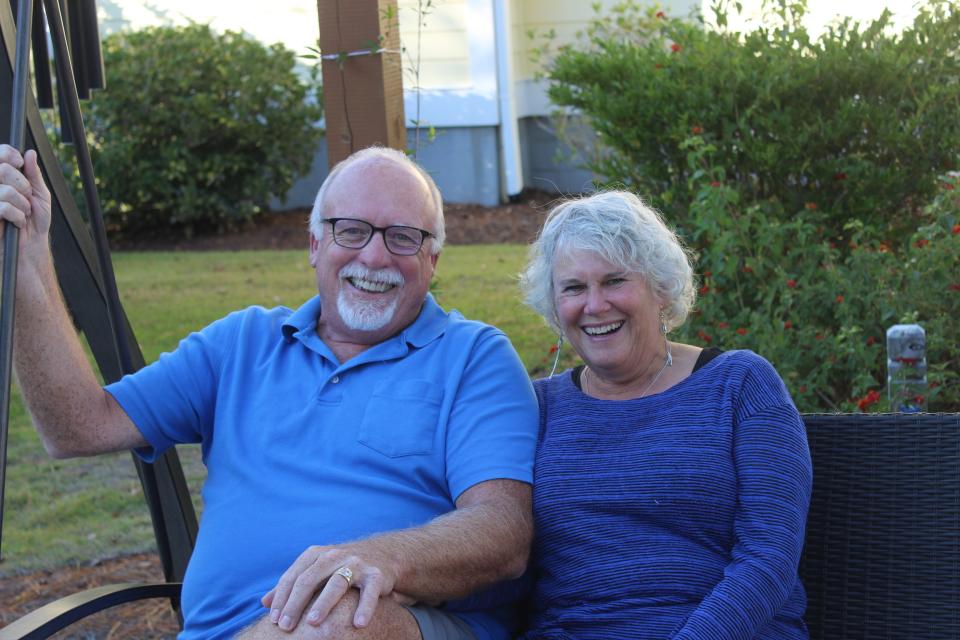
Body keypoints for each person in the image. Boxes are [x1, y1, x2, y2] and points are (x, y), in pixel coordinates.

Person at [0, 143, 538, 640]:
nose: (374, 258)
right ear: (314, 244)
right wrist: (28, 256)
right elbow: (76, 426)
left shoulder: (474, 357)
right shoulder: (243, 343)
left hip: (396, 623)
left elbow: (502, 530)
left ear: (433, 259)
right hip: (228, 630)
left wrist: (377, 559)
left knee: (339, 616)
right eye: (351, 230)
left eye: (402, 237)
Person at [517, 190, 812, 639]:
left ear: (660, 288)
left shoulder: (740, 385)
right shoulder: (539, 409)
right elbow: (506, 560)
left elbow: (769, 555)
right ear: (555, 307)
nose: (594, 305)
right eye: (574, 288)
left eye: (615, 281)